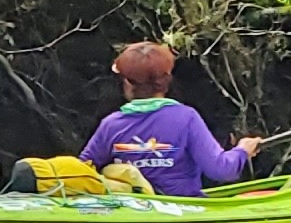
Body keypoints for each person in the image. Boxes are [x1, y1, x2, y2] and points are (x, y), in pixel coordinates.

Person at [79, 41, 261, 198]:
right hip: (182, 209)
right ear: (166, 80)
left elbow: (82, 170)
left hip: (133, 212)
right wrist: (242, 150)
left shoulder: (111, 124)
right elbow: (222, 170)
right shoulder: (186, 118)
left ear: (127, 82)